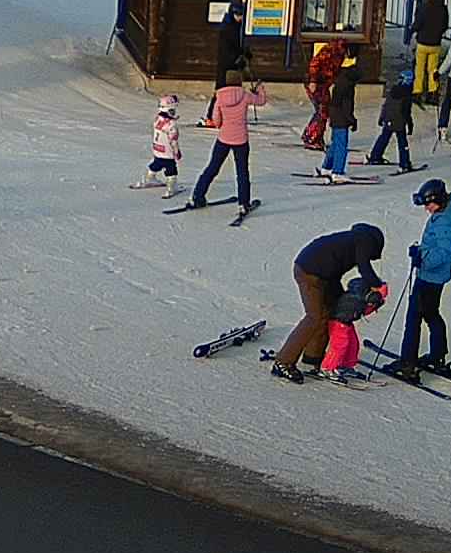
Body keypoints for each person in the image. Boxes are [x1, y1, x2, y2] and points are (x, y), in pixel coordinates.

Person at [274, 222, 386, 381]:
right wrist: (379, 286)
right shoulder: (364, 241)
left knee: (333, 313)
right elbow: (364, 268)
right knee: (314, 317)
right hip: (309, 272)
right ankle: (283, 362)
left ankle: (313, 358)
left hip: (326, 277)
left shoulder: (354, 240)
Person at [395, 180, 451, 381]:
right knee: (431, 314)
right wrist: (420, 251)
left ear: (439, 200)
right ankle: (437, 356)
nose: (426, 208)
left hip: (429, 277)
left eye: (428, 204)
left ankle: (408, 365)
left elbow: (443, 253)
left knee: (413, 318)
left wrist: (422, 259)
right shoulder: (445, 214)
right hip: (435, 277)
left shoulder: (443, 222)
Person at [190, 74, 259, 214]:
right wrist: (260, 89)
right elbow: (261, 101)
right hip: (241, 140)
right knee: (242, 172)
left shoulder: (220, 97)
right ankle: (243, 204)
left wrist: (224, 124)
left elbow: (216, 121)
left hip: (223, 138)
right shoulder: (245, 95)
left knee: (212, 167)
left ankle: (197, 197)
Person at [366, 76, 417, 172]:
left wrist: (382, 118)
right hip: (399, 121)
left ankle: (375, 156)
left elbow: (386, 105)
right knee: (402, 142)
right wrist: (410, 124)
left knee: (384, 137)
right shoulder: (406, 94)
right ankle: (405, 163)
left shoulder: (392, 90)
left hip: (389, 118)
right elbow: (406, 111)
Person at [409, 0, 449, 103]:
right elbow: (445, 26)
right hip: (435, 44)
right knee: (433, 69)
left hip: (422, 43)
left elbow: (417, 24)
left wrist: (413, 30)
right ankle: (433, 93)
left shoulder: (423, 7)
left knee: (419, 69)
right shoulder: (443, 9)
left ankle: (417, 92)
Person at [146, 96, 183, 193]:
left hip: (157, 148)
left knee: (157, 163)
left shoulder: (158, 119)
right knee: (171, 169)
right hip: (167, 152)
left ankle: (150, 178)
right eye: (173, 110)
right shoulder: (171, 125)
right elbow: (173, 141)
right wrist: (177, 152)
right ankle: (171, 187)